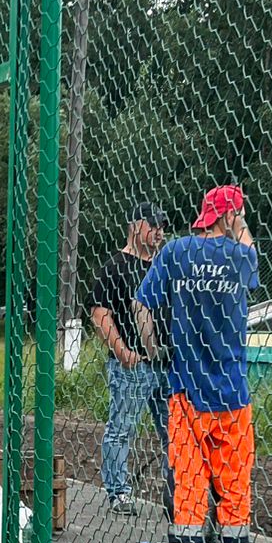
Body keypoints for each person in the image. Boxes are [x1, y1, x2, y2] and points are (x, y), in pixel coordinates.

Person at [132, 184, 259, 543]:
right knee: (234, 478)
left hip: (186, 388)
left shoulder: (175, 252)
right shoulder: (240, 256)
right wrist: (240, 225)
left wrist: (154, 350)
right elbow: (252, 262)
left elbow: (141, 306)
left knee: (189, 480)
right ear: (229, 216)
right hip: (232, 390)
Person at [88, 202, 172, 518]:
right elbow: (99, 312)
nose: (159, 231)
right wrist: (122, 350)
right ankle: (119, 492)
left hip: (167, 363)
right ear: (135, 225)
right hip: (132, 365)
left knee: (173, 432)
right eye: (153, 225)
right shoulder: (116, 267)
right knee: (122, 428)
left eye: (162, 226)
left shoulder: (165, 265)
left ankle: (176, 495)